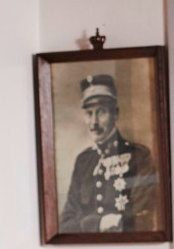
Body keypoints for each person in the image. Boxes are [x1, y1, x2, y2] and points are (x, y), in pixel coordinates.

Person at [58, 73, 158, 234]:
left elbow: (143, 220)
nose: (94, 122)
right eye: (89, 113)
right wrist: (101, 223)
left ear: (115, 114)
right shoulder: (83, 161)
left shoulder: (139, 156)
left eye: (101, 112)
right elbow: (66, 224)